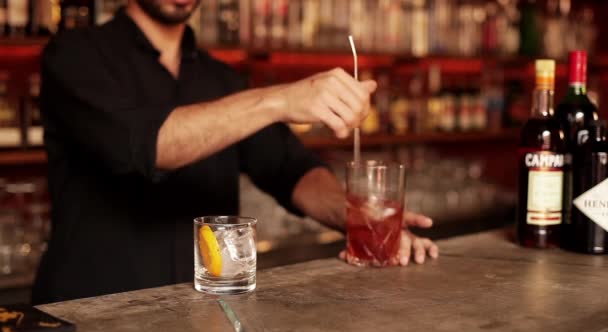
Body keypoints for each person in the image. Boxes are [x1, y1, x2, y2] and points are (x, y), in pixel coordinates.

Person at [32, 0, 438, 304]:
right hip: (92, 316)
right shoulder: (75, 56)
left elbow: (292, 170)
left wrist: (364, 221)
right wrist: (279, 100)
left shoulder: (222, 78)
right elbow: (148, 144)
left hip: (204, 315)